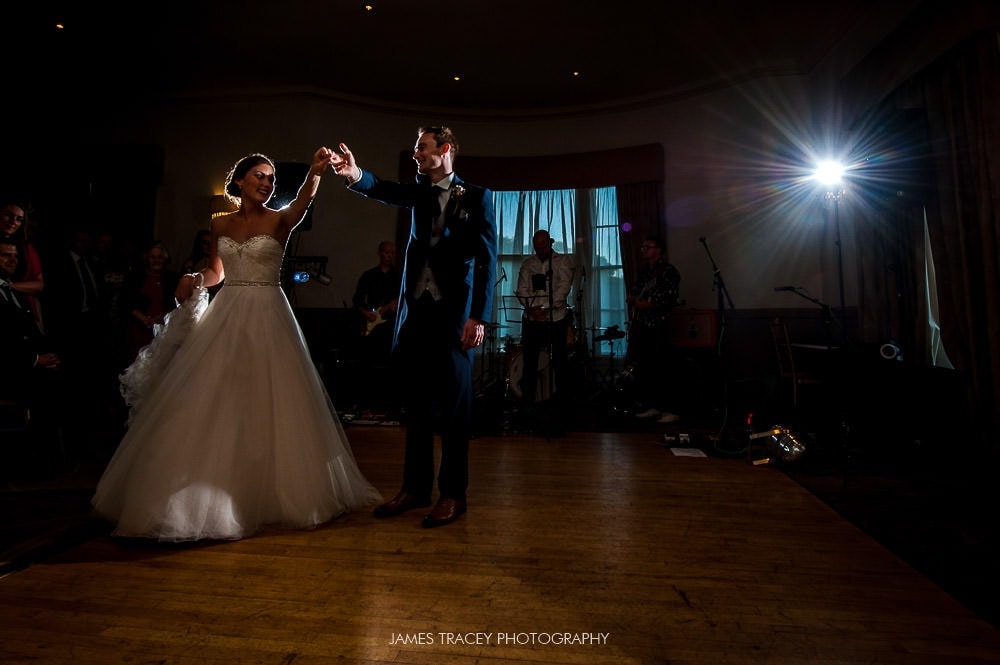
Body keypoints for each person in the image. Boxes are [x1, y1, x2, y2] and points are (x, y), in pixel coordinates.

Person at [91, 147, 382, 541]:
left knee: (270, 396)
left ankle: (265, 491)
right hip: (228, 311)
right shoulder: (221, 224)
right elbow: (216, 271)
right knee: (213, 396)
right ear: (241, 180)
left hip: (268, 311)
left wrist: (315, 171)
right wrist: (195, 280)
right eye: (260, 176)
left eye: (271, 178)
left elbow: (303, 200)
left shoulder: (281, 221)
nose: (267, 182)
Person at [332, 126, 497, 528]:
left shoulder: (477, 197)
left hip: (456, 317)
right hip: (417, 317)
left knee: (456, 410)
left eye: (422, 147)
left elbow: (488, 259)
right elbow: (383, 188)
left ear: (444, 149)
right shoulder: (419, 192)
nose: (416, 154)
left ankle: (453, 495)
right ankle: (415, 488)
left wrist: (479, 316)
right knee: (417, 406)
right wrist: (355, 174)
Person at [514, 229, 574, 430]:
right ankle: (527, 408)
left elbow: (563, 289)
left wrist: (545, 309)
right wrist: (531, 309)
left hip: (555, 319)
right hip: (531, 319)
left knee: (560, 364)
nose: (539, 250)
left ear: (550, 242)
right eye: (536, 247)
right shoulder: (528, 264)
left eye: (543, 246)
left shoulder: (563, 261)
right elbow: (521, 289)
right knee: (529, 365)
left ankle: (561, 410)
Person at [625, 234, 681, 424]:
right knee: (646, 367)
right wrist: (633, 298)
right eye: (642, 247)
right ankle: (651, 406)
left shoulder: (668, 271)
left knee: (663, 367)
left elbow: (670, 297)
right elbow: (637, 289)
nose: (643, 250)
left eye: (647, 247)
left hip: (660, 325)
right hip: (643, 325)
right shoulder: (644, 271)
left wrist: (649, 304)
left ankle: (670, 409)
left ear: (658, 250)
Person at [351, 239, 401, 414]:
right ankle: (365, 404)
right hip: (372, 325)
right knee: (367, 364)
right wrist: (367, 314)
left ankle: (389, 405)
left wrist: (396, 306)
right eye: (387, 252)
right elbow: (357, 300)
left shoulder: (399, 277)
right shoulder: (369, 275)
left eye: (392, 253)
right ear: (380, 253)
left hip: (391, 326)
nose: (390, 256)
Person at [0, 201, 45, 333]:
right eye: (9, 215)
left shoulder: (26, 248)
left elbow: (40, 284)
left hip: (23, 306)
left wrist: (9, 286)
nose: (13, 222)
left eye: (19, 219)